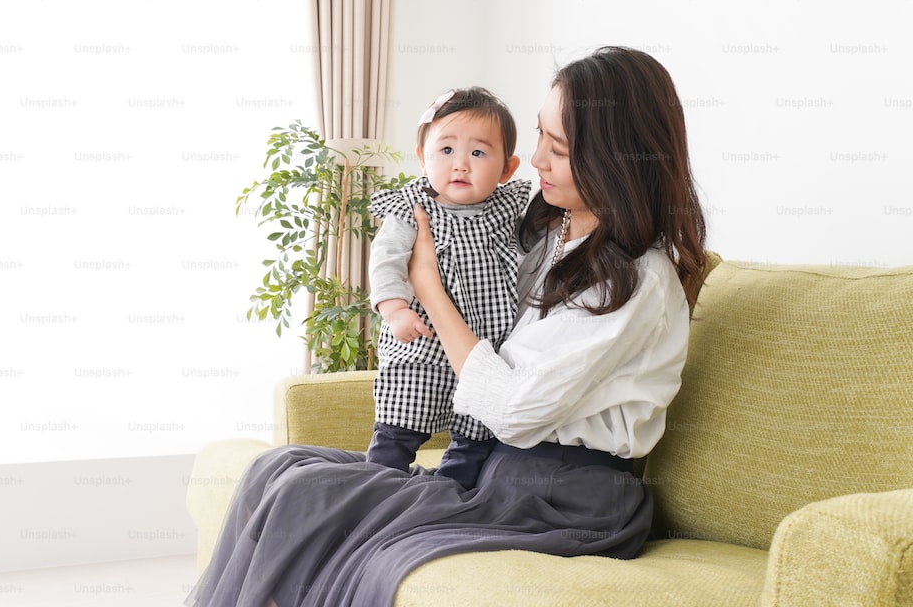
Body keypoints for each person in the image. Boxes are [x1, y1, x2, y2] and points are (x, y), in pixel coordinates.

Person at [185, 46, 708, 607]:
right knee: (278, 466)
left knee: (304, 495)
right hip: (495, 471)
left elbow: (514, 410)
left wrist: (428, 287)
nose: (536, 160)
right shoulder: (550, 233)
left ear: (617, 160)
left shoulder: (637, 280)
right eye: (540, 135)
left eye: (558, 149)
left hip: (565, 500)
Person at [366, 86, 531, 489]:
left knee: (475, 438)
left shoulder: (509, 210)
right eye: (446, 150)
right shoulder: (412, 209)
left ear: (507, 169)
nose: (460, 164)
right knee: (398, 428)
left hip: (484, 353)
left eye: (478, 153)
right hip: (421, 348)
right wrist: (395, 309)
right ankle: (376, 487)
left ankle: (450, 493)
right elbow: (386, 259)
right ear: (422, 158)